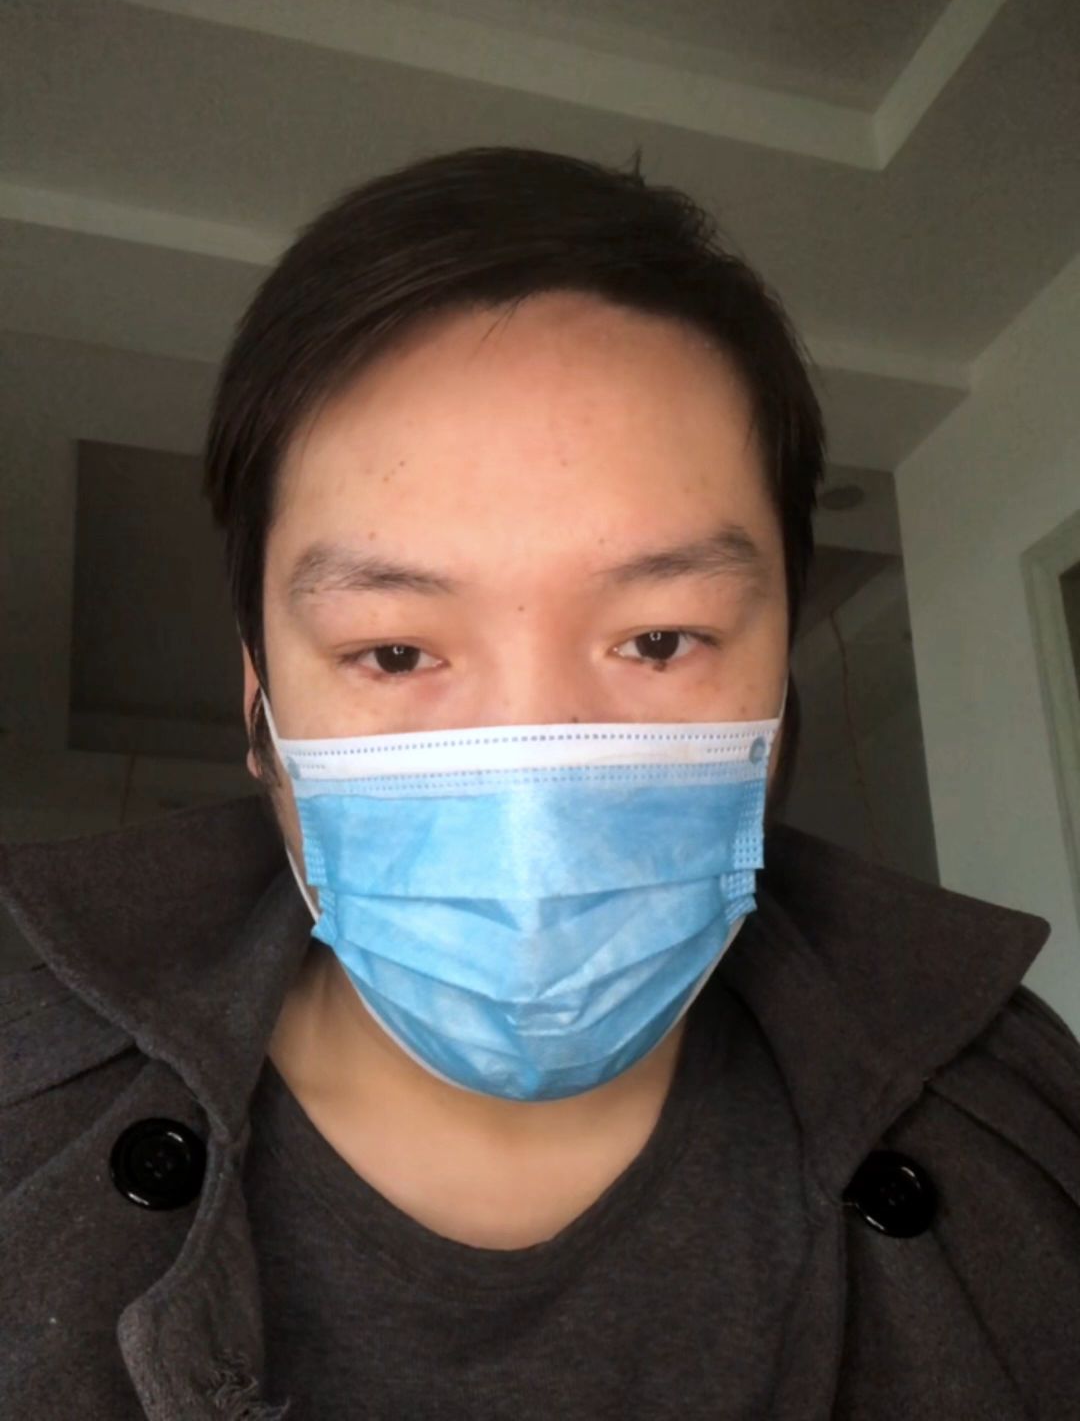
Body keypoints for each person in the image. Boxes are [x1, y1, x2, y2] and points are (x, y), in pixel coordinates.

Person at [2, 146, 1078, 1420]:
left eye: (660, 641)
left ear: (783, 681)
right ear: (260, 710)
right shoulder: (25, 1106)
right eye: (395, 652)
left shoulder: (1022, 1116)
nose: (536, 782)